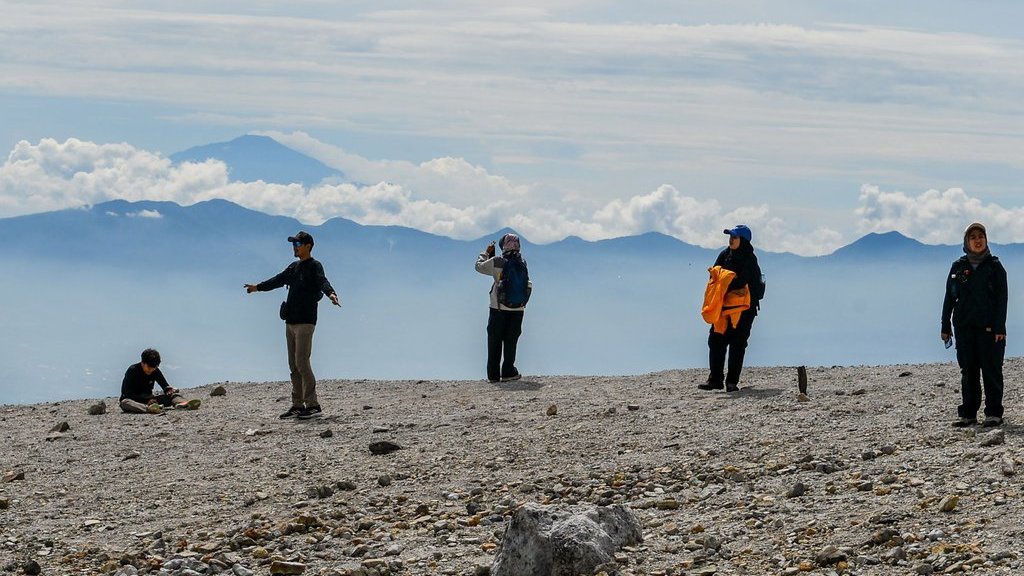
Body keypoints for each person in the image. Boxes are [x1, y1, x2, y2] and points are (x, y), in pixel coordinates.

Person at [245, 231, 340, 420]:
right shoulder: (293, 267)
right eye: (293, 244)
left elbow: (323, 281)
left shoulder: (314, 266)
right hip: (290, 322)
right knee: (293, 365)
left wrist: (330, 293)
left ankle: (313, 405)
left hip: (306, 321)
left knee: (302, 363)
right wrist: (258, 287)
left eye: (297, 244)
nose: (294, 247)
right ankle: (297, 405)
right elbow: (278, 280)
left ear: (308, 246)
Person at [941, 222, 1007, 428]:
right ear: (966, 242)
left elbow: (1002, 299)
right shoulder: (958, 267)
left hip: (989, 329)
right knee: (968, 371)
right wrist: (945, 326)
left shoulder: (995, 267)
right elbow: (949, 298)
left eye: (981, 236)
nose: (978, 240)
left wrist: (999, 328)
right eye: (973, 237)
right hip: (964, 327)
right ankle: (968, 414)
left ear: (986, 240)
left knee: (991, 369)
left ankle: (993, 413)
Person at [699, 225, 762, 392]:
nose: (731, 239)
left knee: (737, 343)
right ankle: (715, 380)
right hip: (724, 307)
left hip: (745, 310)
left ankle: (732, 382)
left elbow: (741, 282)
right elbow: (713, 275)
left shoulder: (749, 259)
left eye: (735, 237)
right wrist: (722, 280)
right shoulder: (724, 254)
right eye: (730, 236)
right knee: (716, 341)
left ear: (743, 240)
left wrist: (724, 279)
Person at [475, 232, 531, 383]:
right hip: (518, 309)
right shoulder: (523, 262)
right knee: (511, 341)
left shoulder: (498, 261)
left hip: (498, 309)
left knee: (495, 341)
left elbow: (479, 267)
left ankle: (493, 375)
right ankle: (508, 372)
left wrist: (486, 253)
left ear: (503, 246)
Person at [120, 348, 200, 414]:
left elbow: (165, 386)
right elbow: (128, 394)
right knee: (125, 402)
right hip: (135, 401)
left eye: (153, 368)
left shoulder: (155, 371)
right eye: (149, 368)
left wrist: (168, 390)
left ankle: (182, 404)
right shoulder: (132, 370)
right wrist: (146, 401)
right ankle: (149, 409)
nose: (151, 370)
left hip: (151, 401)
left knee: (174, 395)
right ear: (142, 363)